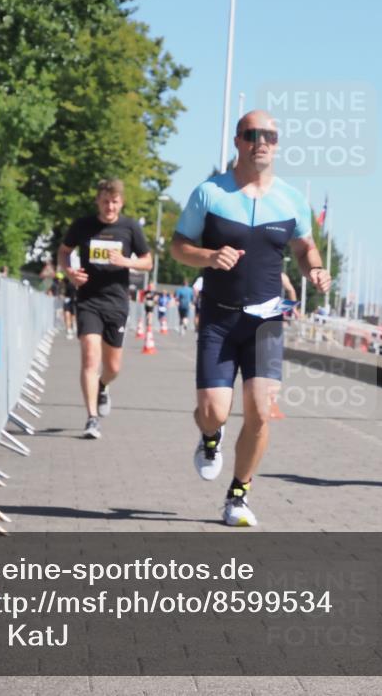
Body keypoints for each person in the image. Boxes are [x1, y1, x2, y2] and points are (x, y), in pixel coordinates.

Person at [171, 110, 331, 527]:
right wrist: (208, 256)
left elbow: (304, 248)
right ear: (238, 141)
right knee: (214, 412)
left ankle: (238, 496)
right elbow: (178, 246)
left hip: (265, 323)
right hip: (219, 320)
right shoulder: (209, 193)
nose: (262, 141)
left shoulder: (292, 199)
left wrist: (313, 268)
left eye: (270, 136)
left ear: (277, 144)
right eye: (252, 134)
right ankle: (210, 438)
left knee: (260, 412)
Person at [58, 178, 152, 439]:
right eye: (105, 201)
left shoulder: (130, 228)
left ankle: (103, 385)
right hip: (89, 300)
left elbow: (148, 262)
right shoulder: (84, 225)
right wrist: (69, 273)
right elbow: (64, 251)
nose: (110, 206)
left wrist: (125, 261)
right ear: (98, 201)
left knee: (113, 368)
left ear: (121, 202)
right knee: (90, 357)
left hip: (117, 302)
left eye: (114, 202)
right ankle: (92, 418)